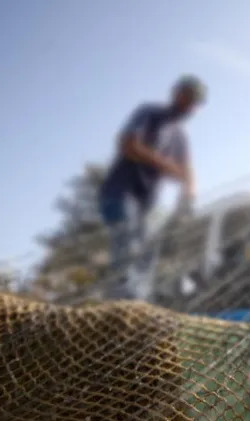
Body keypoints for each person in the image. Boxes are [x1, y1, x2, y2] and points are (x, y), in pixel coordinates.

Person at [99, 75, 205, 299]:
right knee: (128, 246)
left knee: (148, 251)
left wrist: (189, 194)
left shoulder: (181, 137)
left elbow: (187, 171)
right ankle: (119, 308)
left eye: (194, 102)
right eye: (186, 96)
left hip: (148, 201)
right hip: (120, 192)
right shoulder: (149, 113)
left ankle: (138, 306)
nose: (188, 104)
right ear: (176, 93)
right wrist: (167, 165)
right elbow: (127, 145)